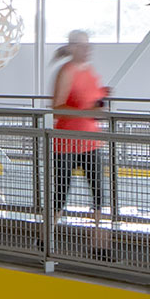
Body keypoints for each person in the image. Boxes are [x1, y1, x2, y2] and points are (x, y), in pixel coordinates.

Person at [48, 29, 113, 257]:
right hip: (67, 142)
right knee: (61, 192)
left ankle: (99, 244)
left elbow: (94, 102)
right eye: (83, 46)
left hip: (91, 141)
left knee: (99, 194)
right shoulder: (66, 72)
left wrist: (101, 100)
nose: (87, 50)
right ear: (72, 47)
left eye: (88, 46)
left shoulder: (90, 72)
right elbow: (56, 108)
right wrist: (87, 110)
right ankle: (47, 239)